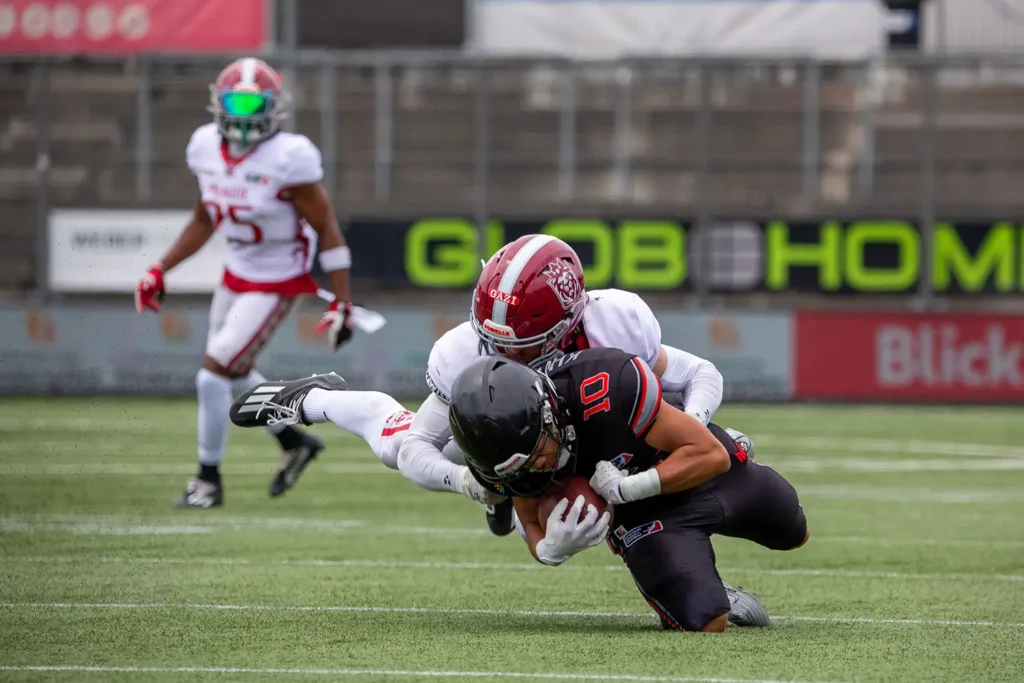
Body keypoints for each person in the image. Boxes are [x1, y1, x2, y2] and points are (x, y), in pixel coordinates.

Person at [230, 235, 732, 535]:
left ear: (567, 324)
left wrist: (688, 433)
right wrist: (473, 484)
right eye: (490, 338)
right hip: (520, 436)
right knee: (402, 447)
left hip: (576, 429)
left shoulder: (615, 322)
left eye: (521, 344)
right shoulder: (467, 351)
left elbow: (701, 375)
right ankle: (316, 400)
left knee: (653, 457)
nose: (501, 353)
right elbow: (414, 450)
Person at [447, 349, 810, 632]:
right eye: (522, 466)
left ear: (549, 410)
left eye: (538, 451)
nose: (538, 467)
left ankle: (722, 435)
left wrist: (627, 487)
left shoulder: (607, 381)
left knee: (795, 532)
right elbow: (528, 514)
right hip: (645, 516)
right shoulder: (504, 459)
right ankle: (717, 588)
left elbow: (711, 457)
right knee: (707, 620)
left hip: (685, 466)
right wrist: (548, 550)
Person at [135, 57, 356, 509]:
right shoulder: (203, 147)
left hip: (276, 280)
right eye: (237, 100)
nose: (245, 112)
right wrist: (160, 268)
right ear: (219, 102)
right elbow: (204, 219)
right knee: (230, 371)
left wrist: (342, 302)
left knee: (212, 375)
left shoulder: (290, 158)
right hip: (235, 274)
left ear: (274, 107)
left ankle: (207, 481)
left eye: (255, 102)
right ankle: (293, 440)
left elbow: (329, 230)